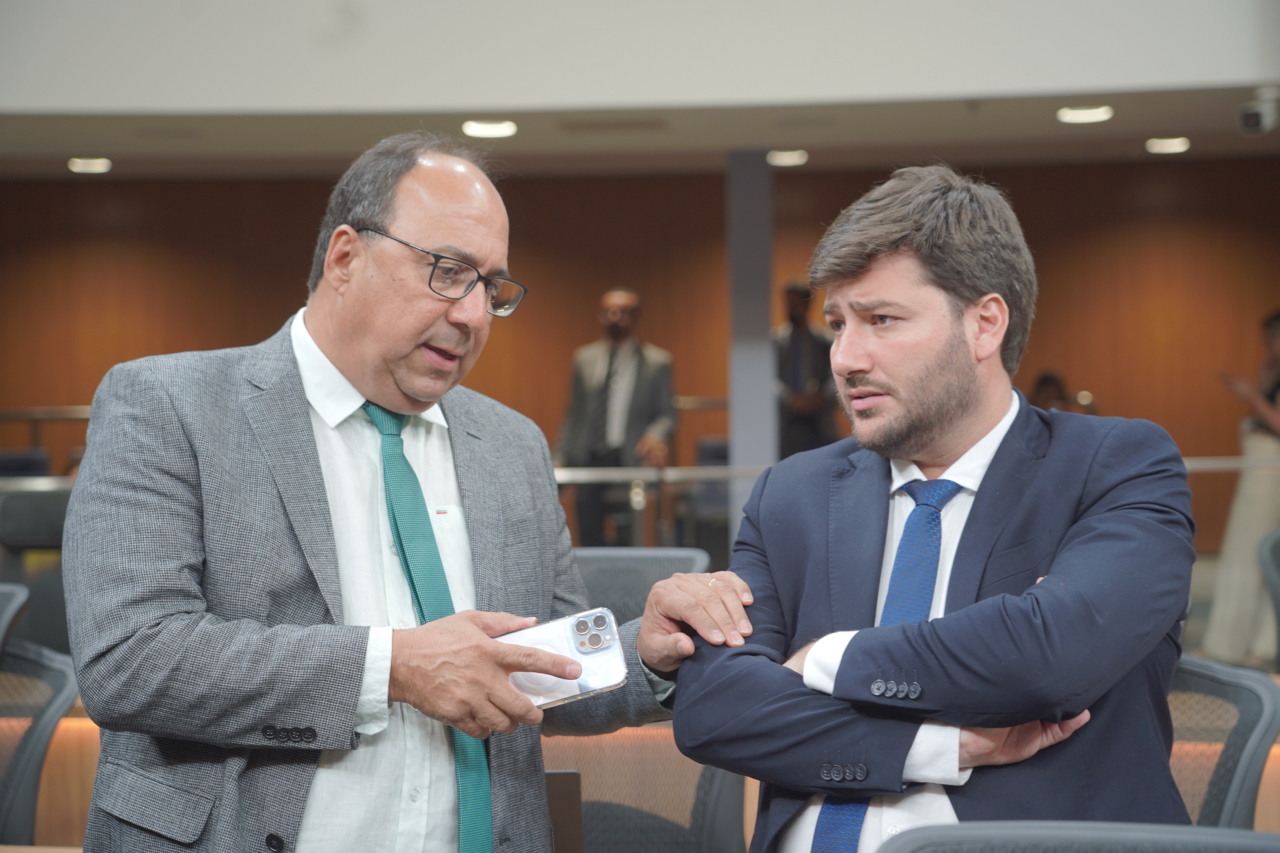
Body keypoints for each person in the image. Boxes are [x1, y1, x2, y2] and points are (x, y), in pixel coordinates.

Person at [62, 132, 751, 853]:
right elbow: (130, 660)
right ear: (345, 258)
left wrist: (645, 652)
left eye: (491, 288)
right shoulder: (170, 406)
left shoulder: (511, 445)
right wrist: (395, 668)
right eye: (449, 272)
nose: (474, 315)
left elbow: (536, 666)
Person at [673, 165, 1196, 853]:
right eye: (837, 324)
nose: (845, 358)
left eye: (882, 320)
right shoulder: (792, 494)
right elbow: (714, 711)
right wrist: (938, 747)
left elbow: (1048, 655)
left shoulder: (1116, 466)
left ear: (984, 324)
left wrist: (826, 657)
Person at [554, 288, 676, 546]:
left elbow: (667, 414)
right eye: (608, 312)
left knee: (628, 537)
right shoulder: (585, 358)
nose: (614, 318)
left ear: (636, 316)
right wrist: (560, 457)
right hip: (588, 457)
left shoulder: (656, 362)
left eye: (622, 312)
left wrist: (655, 434)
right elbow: (574, 414)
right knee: (588, 534)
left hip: (629, 457)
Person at [1202, 309, 1280, 666]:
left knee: (1249, 551)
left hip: (1268, 471)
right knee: (1253, 552)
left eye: (1273, 338)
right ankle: (1255, 644)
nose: (1269, 346)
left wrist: (1253, 396)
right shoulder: (1272, 372)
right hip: (1260, 468)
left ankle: (1235, 644)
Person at [776, 281, 839, 459]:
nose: (792, 308)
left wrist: (821, 398)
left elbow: (836, 375)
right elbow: (767, 378)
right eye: (789, 303)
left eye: (796, 304)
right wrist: (789, 399)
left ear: (807, 305)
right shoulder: (776, 342)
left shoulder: (824, 342)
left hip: (818, 419)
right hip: (785, 419)